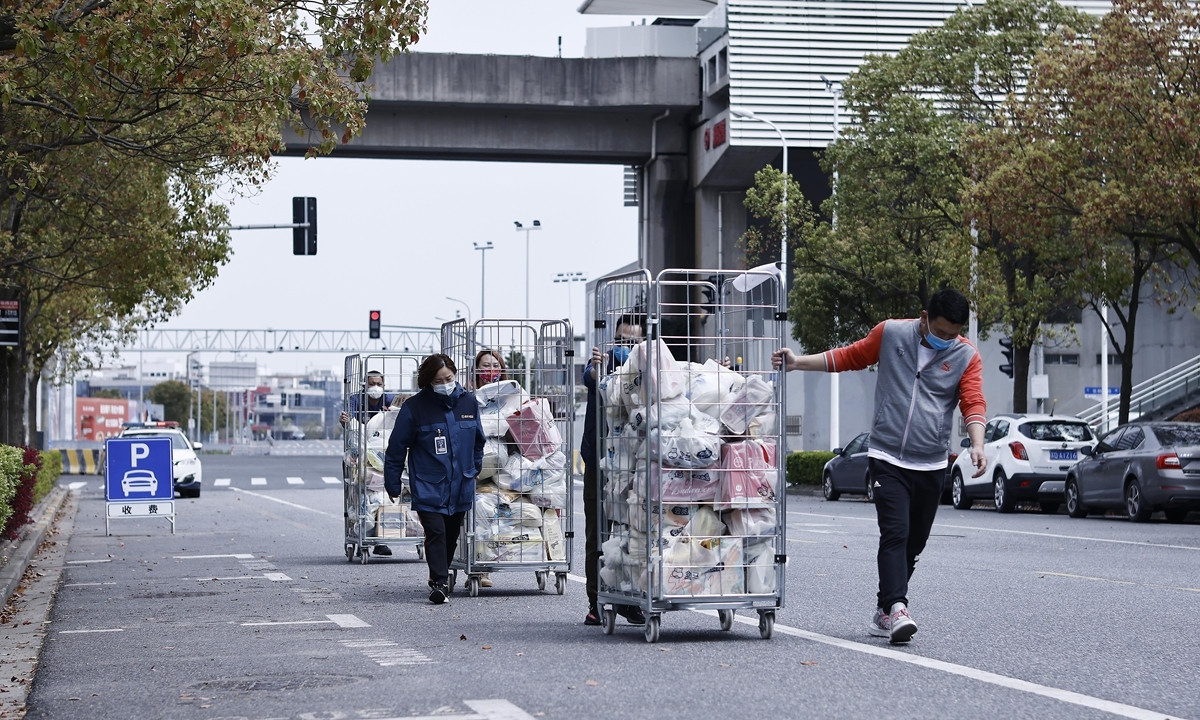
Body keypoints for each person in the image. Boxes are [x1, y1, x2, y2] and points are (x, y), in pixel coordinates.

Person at [773, 288, 988, 644]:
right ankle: (899, 607)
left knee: (913, 544)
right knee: (895, 533)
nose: (946, 340)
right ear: (924, 319)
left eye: (953, 335)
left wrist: (977, 444)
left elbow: (973, 402)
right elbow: (849, 356)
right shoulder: (890, 333)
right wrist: (798, 362)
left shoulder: (966, 356)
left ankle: (883, 610)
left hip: (931, 462)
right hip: (887, 456)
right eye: (940, 332)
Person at [384, 353, 486, 605]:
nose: (445, 383)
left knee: (451, 534)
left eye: (448, 378)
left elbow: (478, 442)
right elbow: (397, 447)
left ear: (454, 375)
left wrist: (474, 468)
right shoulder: (415, 408)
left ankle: (440, 576)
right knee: (436, 532)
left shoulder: (469, 403)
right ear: (428, 381)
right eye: (439, 380)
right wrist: (392, 481)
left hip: (460, 483)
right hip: (429, 484)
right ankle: (439, 582)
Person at [581, 314, 646, 627]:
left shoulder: (651, 370)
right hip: (601, 461)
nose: (627, 348)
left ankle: (630, 599)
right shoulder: (602, 364)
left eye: (634, 342)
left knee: (634, 531)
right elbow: (590, 377)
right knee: (599, 531)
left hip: (637, 465)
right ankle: (597, 601)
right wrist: (598, 367)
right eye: (622, 341)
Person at [341, 369, 398, 556]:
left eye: (379, 384)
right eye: (372, 384)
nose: (376, 388)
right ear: (365, 386)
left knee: (383, 496)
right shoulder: (356, 401)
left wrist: (391, 414)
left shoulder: (389, 400)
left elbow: (400, 417)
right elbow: (347, 422)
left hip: (382, 455)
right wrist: (345, 421)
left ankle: (381, 539)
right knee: (361, 495)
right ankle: (361, 536)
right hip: (361, 457)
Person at [472, 349, 507, 588]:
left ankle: (485, 564)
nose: (490, 371)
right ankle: (478, 567)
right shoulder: (469, 396)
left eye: (495, 365)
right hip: (477, 462)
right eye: (485, 366)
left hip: (504, 463)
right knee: (478, 511)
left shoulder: (510, 394)